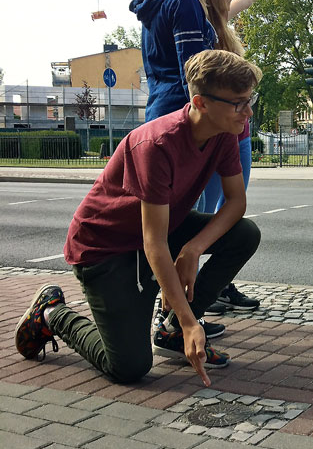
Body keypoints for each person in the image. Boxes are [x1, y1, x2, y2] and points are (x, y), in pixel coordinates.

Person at [15, 50, 262, 386]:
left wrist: (193, 249)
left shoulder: (225, 132)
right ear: (201, 103)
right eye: (238, 103)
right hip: (105, 248)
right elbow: (154, 243)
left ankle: (173, 331)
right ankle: (51, 314)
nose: (248, 111)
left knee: (244, 234)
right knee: (129, 367)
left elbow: (236, 204)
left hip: (156, 232)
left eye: (250, 100)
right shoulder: (157, 144)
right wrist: (193, 322)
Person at [191, 0, 281, 315]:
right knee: (203, 210)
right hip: (218, 129)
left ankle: (217, 283)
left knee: (229, 206)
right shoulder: (202, 23)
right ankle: (194, 289)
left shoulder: (223, 18)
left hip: (237, 131)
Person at [130, 0, 219, 122]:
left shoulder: (157, 1)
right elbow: (194, 74)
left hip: (159, 113)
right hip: (182, 118)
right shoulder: (185, 2)